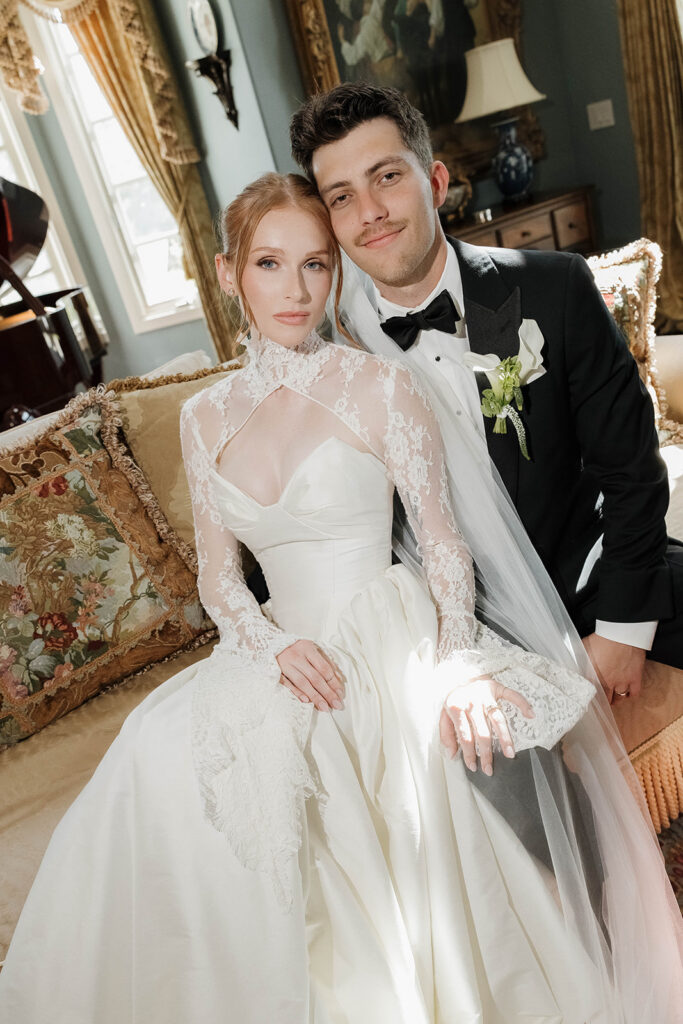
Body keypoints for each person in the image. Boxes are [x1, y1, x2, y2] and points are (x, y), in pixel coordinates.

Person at [0, 173, 680, 1024]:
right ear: (227, 274)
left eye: (315, 266)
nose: (295, 291)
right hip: (279, 643)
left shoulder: (378, 388)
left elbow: (440, 541)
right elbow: (218, 574)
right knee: (156, 756)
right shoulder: (203, 417)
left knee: (392, 777)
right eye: (271, 264)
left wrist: (455, 657)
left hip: (385, 626)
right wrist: (267, 643)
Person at [289, 82, 683, 715]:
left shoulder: (553, 291)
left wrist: (620, 629)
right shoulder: (329, 359)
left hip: (587, 583)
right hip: (449, 637)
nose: (370, 212)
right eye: (342, 197)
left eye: (387, 176)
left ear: (437, 182)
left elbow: (632, 472)